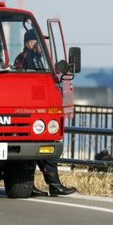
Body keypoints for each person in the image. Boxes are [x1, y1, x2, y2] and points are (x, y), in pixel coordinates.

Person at [13, 29, 77, 197]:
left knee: (39, 151)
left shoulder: (33, 58)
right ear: (30, 42)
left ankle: (45, 185)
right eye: (38, 42)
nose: (42, 46)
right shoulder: (26, 58)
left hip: (34, 110)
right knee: (42, 148)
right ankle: (53, 185)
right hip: (31, 110)